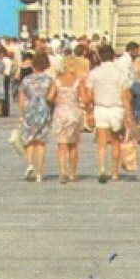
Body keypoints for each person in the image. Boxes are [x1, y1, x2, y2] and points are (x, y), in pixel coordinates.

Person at [85, 45, 132, 182]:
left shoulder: (94, 73)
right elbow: (125, 96)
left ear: (99, 56)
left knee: (101, 142)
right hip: (117, 109)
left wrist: (88, 110)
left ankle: (102, 169)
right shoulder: (120, 73)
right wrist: (129, 116)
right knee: (115, 141)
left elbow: (89, 96)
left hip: (100, 108)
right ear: (113, 57)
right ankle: (115, 173)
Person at [17, 51, 57, 182]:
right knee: (41, 142)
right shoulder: (49, 80)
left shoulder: (26, 80)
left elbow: (22, 99)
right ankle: (40, 173)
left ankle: (29, 165)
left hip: (30, 109)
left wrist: (22, 114)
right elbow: (51, 97)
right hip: (43, 109)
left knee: (29, 140)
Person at [50, 56, 87, 184]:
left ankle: (62, 171)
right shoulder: (78, 81)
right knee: (73, 145)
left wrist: (57, 101)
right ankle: (73, 173)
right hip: (74, 112)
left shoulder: (57, 81)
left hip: (60, 113)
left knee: (61, 145)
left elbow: (50, 96)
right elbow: (84, 98)